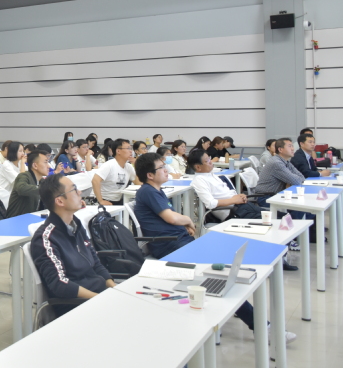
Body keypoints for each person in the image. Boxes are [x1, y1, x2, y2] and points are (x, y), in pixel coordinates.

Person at [134, 153, 297, 343]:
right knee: (219, 278)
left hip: (177, 240)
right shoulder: (148, 192)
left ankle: (248, 315)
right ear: (150, 175)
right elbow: (171, 218)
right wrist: (187, 220)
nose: (166, 170)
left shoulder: (156, 190)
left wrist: (183, 224)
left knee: (226, 272)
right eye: (161, 167)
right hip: (169, 246)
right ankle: (262, 328)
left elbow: (168, 217)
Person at [31, 172, 115, 317]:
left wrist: (115, 289)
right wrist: (99, 298)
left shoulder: (76, 225)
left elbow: (95, 263)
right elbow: (59, 284)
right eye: (74, 189)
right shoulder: (45, 238)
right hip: (76, 306)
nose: (80, 192)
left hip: (98, 294)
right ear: (60, 201)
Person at [256, 138, 311, 207]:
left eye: (292, 146)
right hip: (266, 197)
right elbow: (296, 181)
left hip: (276, 195)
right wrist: (292, 180)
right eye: (289, 146)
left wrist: (292, 180)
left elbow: (301, 177)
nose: (293, 149)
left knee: (302, 206)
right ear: (280, 149)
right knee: (299, 208)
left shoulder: (285, 161)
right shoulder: (276, 163)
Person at [91, 139, 136, 206]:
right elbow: (95, 180)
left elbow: (138, 183)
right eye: (128, 148)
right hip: (104, 199)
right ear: (118, 151)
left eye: (131, 148)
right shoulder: (109, 165)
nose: (131, 151)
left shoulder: (128, 166)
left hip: (119, 200)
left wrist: (137, 165)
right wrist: (101, 200)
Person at [7, 150, 50, 217]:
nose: (48, 166)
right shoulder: (24, 176)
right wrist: (44, 189)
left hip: (33, 217)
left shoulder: (41, 181)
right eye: (45, 162)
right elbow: (21, 188)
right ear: (35, 165)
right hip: (16, 219)